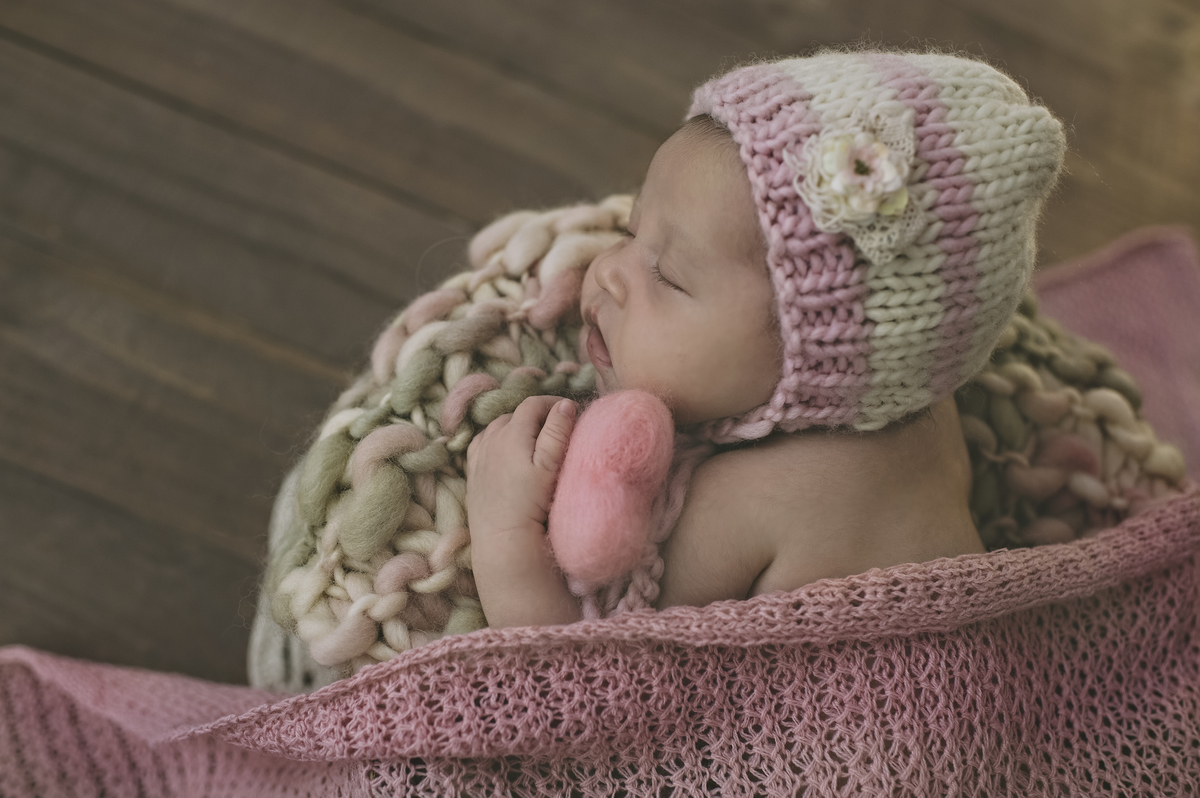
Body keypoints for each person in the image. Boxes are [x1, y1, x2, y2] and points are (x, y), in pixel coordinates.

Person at [465, 50, 1066, 628]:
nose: (607, 273)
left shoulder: (752, 501)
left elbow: (590, 681)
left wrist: (503, 534)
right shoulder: (916, 404)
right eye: (631, 229)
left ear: (814, 360)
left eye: (667, 277)